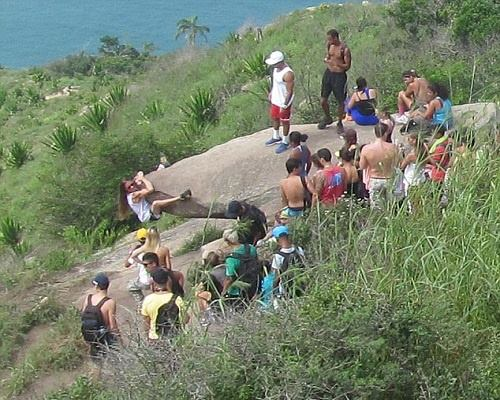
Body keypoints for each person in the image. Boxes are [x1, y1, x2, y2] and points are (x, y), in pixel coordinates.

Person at [118, 171, 192, 223]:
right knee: (155, 203)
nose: (132, 187)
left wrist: (139, 177)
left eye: (132, 184)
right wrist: (142, 178)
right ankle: (179, 197)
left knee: (154, 202)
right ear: (126, 191)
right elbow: (151, 189)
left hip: (150, 211)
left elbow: (140, 172)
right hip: (149, 216)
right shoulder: (133, 195)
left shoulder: (133, 193)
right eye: (129, 187)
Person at [318, 29, 352, 134]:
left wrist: (337, 64)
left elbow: (347, 66)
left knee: (340, 101)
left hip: (339, 76)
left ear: (336, 38)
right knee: (323, 100)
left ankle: (340, 122)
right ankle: (327, 117)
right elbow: (328, 56)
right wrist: (327, 60)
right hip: (329, 74)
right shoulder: (330, 45)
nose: (329, 41)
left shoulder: (344, 49)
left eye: (330, 39)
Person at [359, 123, 399, 209]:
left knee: (376, 209)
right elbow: (397, 164)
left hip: (375, 179)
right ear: (386, 133)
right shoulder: (393, 147)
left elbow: (362, 166)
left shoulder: (366, 149)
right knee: (390, 207)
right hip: (389, 178)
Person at [141, 269, 187, 340]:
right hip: (177, 337)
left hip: (156, 338)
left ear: (153, 283)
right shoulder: (177, 299)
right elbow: (185, 319)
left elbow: (146, 322)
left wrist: (147, 337)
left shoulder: (148, 300)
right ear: (168, 281)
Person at [80, 274, 119, 358]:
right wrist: (119, 339)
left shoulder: (88, 298)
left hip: (90, 336)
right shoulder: (110, 302)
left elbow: (83, 316)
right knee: (113, 358)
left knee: (96, 358)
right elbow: (112, 326)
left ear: (96, 286)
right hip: (104, 337)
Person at [264, 50, 295, 154]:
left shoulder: (288, 74)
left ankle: (285, 141)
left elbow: (290, 91)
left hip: (283, 101)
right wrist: (272, 92)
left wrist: (285, 105)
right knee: (274, 117)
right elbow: (275, 83)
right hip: (276, 99)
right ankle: (276, 136)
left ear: (280, 62)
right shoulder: (275, 70)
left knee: (284, 121)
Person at [271, 225, 306, 299]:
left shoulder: (278, 256)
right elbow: (304, 266)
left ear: (277, 240)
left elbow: (276, 277)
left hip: (286, 290)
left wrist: (274, 293)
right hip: (302, 286)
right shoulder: (299, 249)